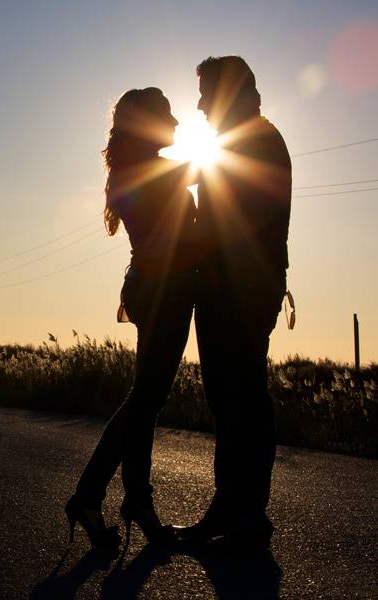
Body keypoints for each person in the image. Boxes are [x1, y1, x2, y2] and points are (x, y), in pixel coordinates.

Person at [65, 87, 196, 556]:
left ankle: (130, 502)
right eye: (167, 115)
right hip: (161, 292)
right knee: (146, 399)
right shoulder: (150, 171)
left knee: (146, 401)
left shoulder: (139, 169)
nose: (178, 123)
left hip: (156, 290)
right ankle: (95, 497)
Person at [175, 56, 292, 552]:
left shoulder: (255, 142)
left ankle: (246, 513)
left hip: (240, 289)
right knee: (230, 397)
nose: (199, 104)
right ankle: (235, 509)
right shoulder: (243, 140)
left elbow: (228, 225)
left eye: (206, 93)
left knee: (240, 395)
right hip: (233, 286)